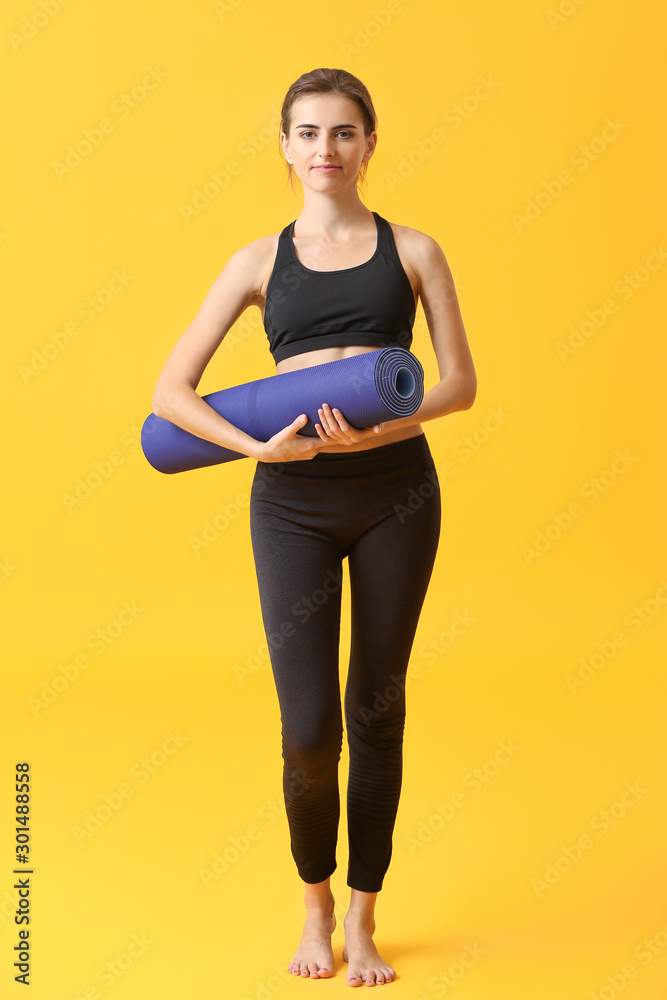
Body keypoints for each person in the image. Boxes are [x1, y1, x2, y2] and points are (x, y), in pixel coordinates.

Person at [151, 67, 476, 987]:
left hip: (394, 496)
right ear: (285, 148)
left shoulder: (413, 250)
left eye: (342, 133)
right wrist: (258, 450)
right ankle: (315, 907)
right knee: (307, 729)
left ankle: (366, 922)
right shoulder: (256, 262)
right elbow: (170, 393)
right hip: (290, 501)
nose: (325, 149)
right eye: (307, 133)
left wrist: (395, 421)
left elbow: (457, 383)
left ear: (370, 144)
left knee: (377, 707)